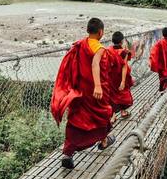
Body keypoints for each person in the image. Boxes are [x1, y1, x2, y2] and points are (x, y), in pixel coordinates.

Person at [50, 17, 116, 169]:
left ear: (88, 31)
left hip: (81, 91)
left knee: (76, 120)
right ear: (101, 32)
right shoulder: (99, 48)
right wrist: (98, 86)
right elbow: (95, 65)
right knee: (103, 114)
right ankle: (104, 141)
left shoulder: (80, 45)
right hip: (95, 92)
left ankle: (68, 153)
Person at [107, 31, 134, 120]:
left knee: (112, 95)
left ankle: (113, 115)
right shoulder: (124, 52)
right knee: (123, 94)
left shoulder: (108, 50)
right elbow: (124, 66)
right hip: (120, 76)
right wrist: (122, 81)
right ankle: (123, 112)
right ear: (122, 41)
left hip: (111, 77)